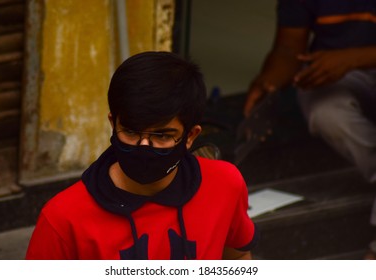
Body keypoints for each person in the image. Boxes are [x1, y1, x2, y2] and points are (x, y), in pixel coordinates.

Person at [26, 51, 259, 260]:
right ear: (112, 123)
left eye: (163, 135)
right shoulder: (62, 220)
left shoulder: (225, 185)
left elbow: (237, 258)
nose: (144, 146)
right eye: (130, 131)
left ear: (190, 136)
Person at [244, 0, 376, 259]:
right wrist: (269, 82)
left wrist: (352, 58)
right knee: (325, 111)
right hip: (335, 73)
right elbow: (288, 47)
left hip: (345, 63)